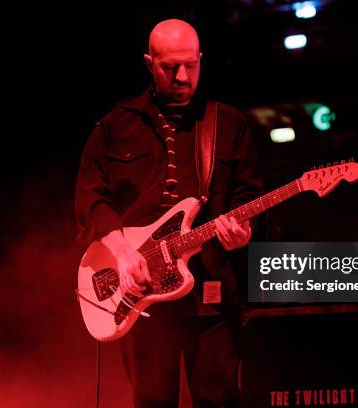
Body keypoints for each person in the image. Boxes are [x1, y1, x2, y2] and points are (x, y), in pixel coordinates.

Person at [75, 19, 263, 407]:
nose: (182, 76)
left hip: (209, 289)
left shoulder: (228, 124)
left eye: (190, 66)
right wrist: (123, 253)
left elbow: (249, 197)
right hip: (140, 290)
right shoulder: (115, 125)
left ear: (200, 60)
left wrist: (245, 231)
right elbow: (90, 196)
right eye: (169, 67)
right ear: (149, 63)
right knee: (152, 400)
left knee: (220, 398)